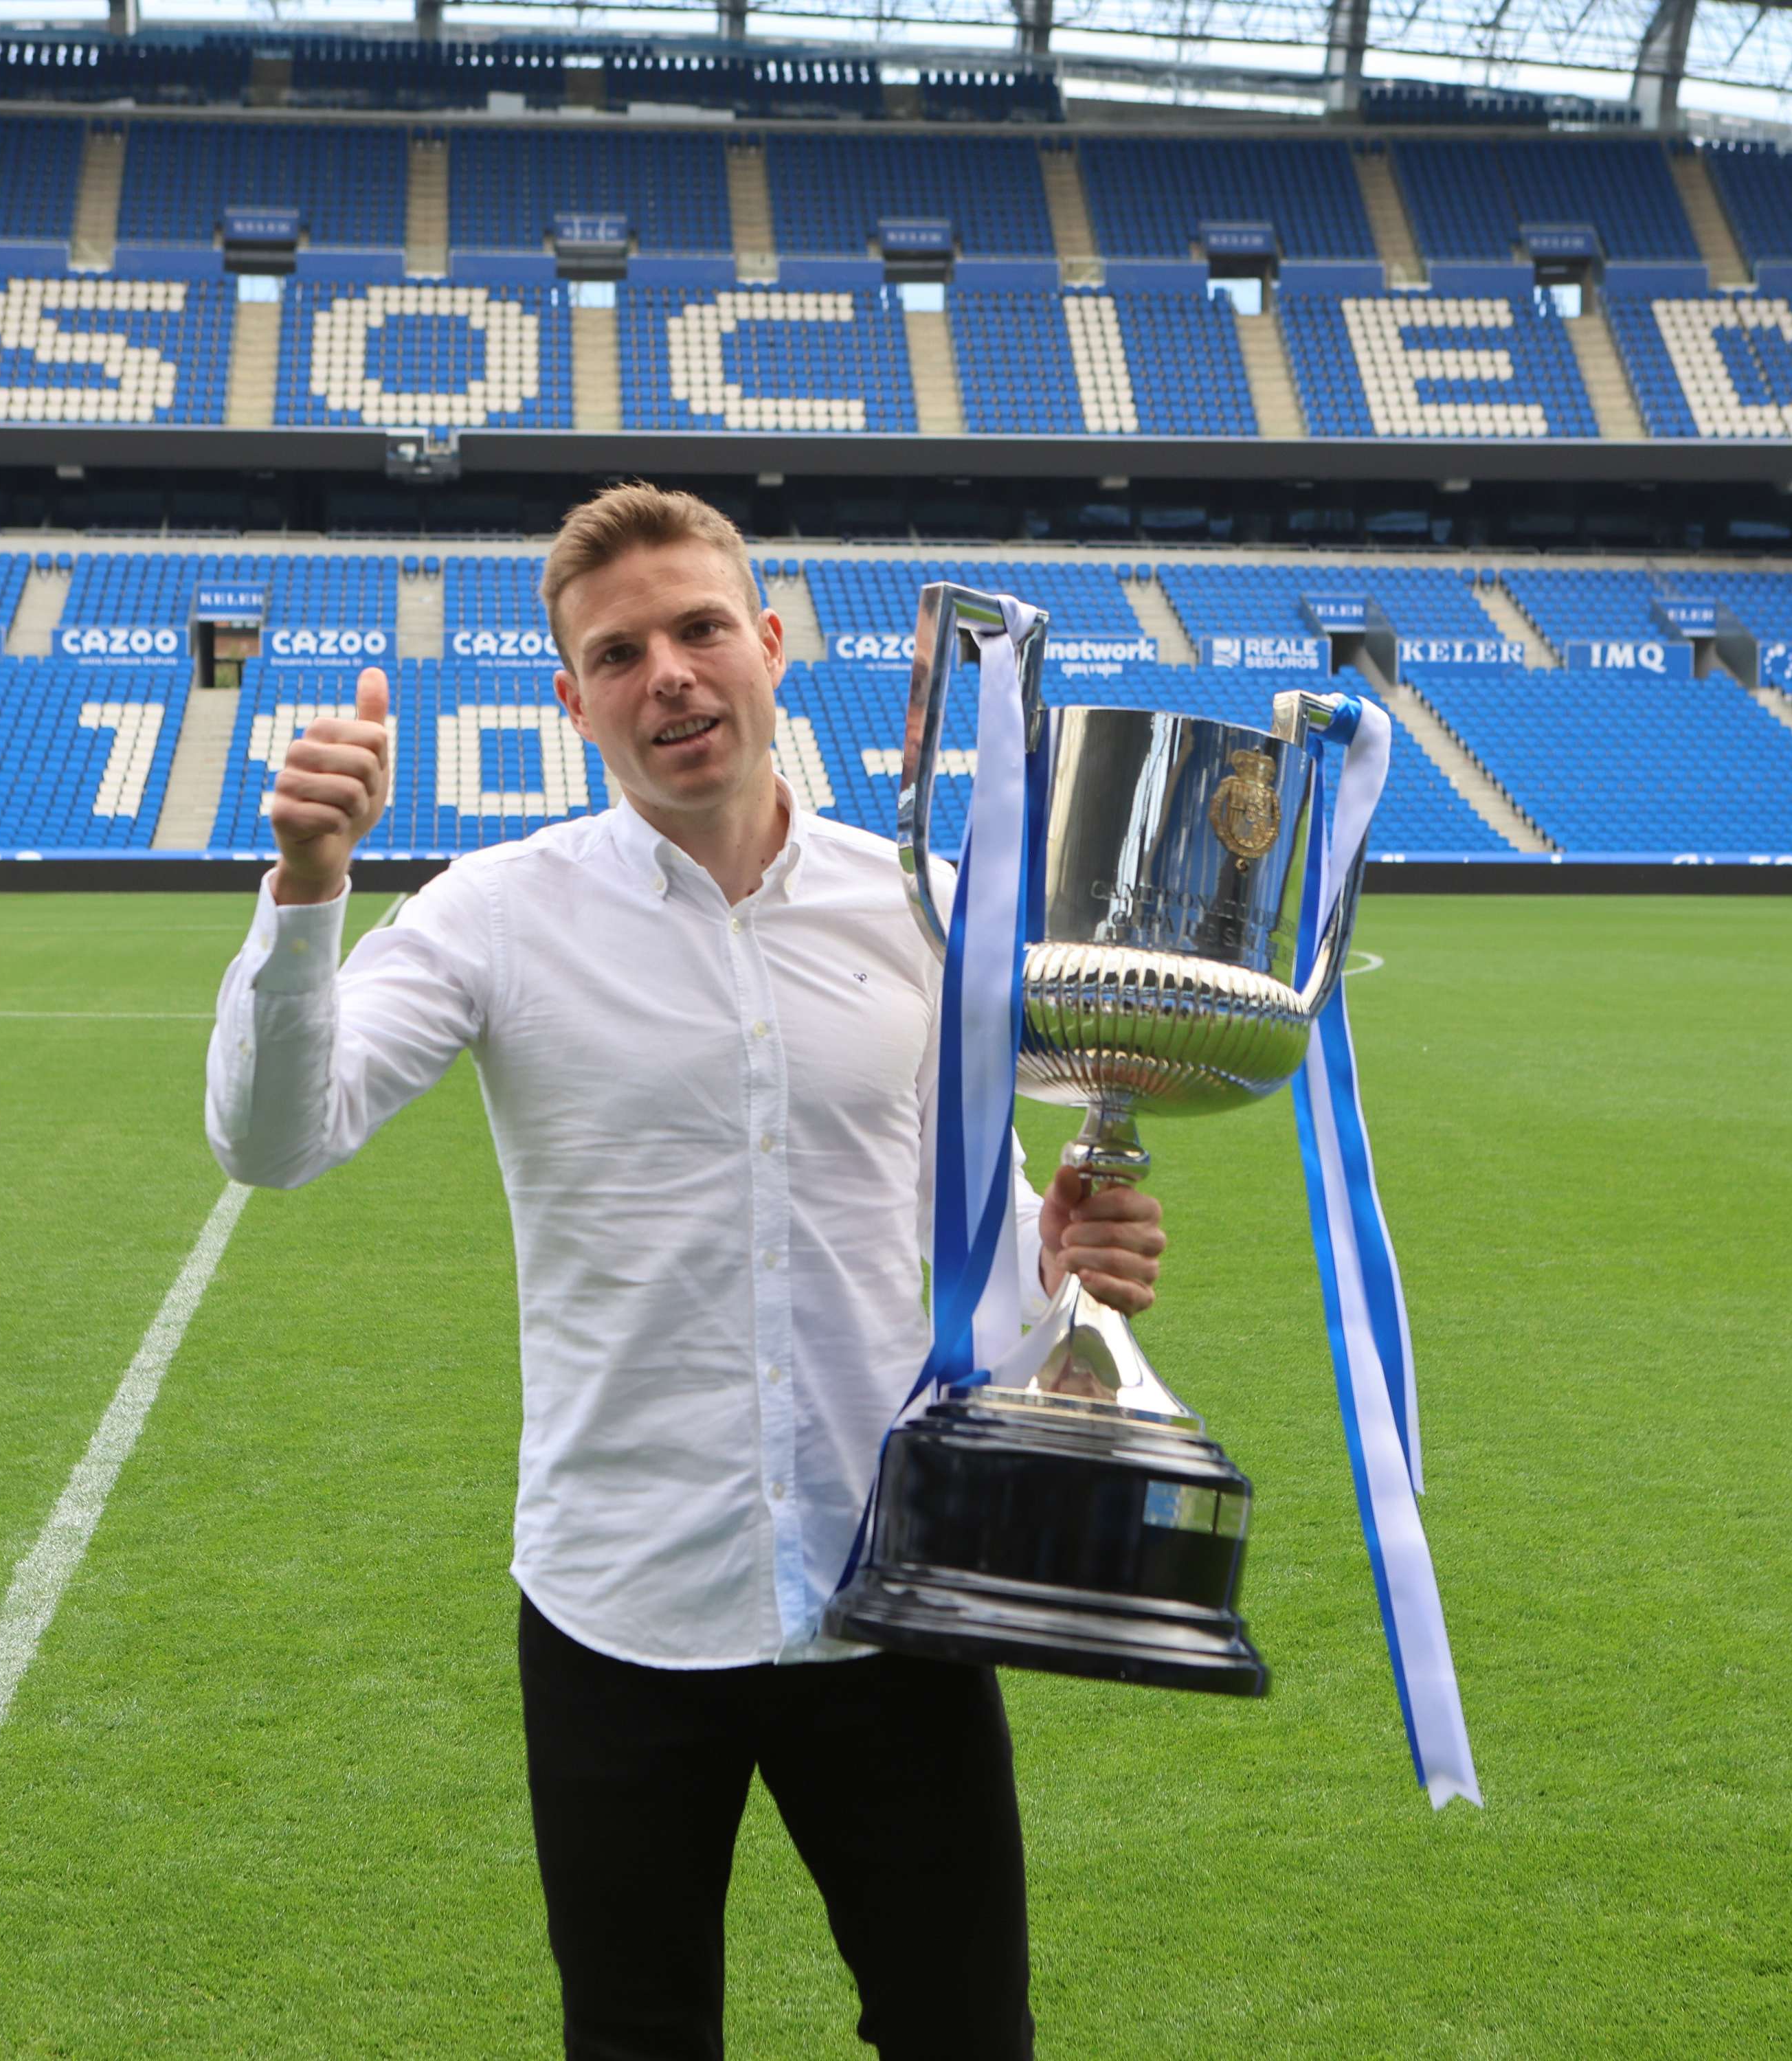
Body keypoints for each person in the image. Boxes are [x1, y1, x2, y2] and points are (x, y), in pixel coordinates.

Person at [205, 484, 1168, 2061]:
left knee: (964, 2033)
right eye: (617, 652)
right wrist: (308, 887)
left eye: (699, 628)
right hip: (621, 1607)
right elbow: (273, 1140)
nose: (668, 673)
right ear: (569, 699)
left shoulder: (921, 909)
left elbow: (980, 1223)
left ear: (767, 644)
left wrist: (1067, 1276)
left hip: (895, 1598)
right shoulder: (493, 917)